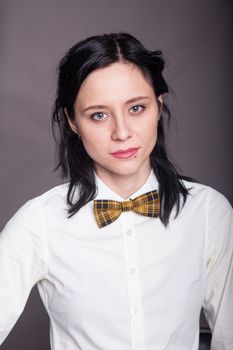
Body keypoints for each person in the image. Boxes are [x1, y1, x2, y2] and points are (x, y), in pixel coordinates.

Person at [0, 32, 232, 350]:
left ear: (158, 107)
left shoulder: (209, 212)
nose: (121, 132)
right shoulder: (38, 221)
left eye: (136, 108)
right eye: (99, 115)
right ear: (72, 121)